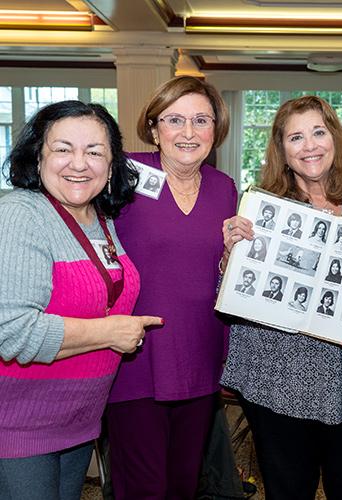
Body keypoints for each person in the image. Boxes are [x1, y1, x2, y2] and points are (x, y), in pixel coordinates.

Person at [221, 95, 342, 500]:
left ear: (335, 137)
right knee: (287, 490)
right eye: (296, 137)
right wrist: (231, 255)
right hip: (276, 373)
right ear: (281, 149)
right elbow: (237, 289)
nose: (309, 145)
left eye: (318, 132)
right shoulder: (262, 204)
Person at [0, 101, 163, 499]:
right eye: (63, 149)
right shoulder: (22, 214)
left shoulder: (102, 219)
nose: (79, 163)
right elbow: (11, 331)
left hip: (79, 420)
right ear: (37, 157)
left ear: (111, 166)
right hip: (19, 423)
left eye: (94, 152)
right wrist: (109, 332)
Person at [105, 76, 237, 500]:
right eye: (175, 119)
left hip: (200, 353)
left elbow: (221, 269)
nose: (188, 132)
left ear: (215, 130)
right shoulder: (123, 174)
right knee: (144, 488)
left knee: (184, 484)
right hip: (137, 355)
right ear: (154, 127)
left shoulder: (224, 188)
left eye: (201, 120)